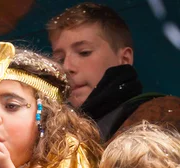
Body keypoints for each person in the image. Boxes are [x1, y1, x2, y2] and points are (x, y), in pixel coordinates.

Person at [48, 2, 180, 141]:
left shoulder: (163, 115)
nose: (67, 67)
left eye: (84, 52)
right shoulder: (59, 139)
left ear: (124, 58)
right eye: (60, 59)